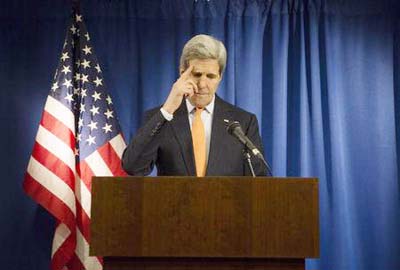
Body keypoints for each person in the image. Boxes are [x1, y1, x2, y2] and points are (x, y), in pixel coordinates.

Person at [122, 34, 268, 176]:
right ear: (182, 73)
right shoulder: (160, 118)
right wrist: (167, 110)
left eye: (210, 76)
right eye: (197, 75)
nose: (202, 84)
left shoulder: (243, 123)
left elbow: (258, 181)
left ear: (220, 77)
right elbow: (133, 167)